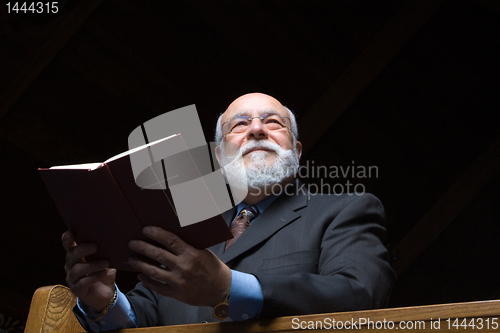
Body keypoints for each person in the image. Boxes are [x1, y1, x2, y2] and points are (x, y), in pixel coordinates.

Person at [63, 93, 396, 331]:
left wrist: (229, 286)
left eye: (272, 122)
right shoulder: (184, 227)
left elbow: (359, 296)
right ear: (220, 158)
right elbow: (143, 316)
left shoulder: (345, 208)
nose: (256, 130)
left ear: (295, 150)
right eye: (239, 125)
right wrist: (104, 301)